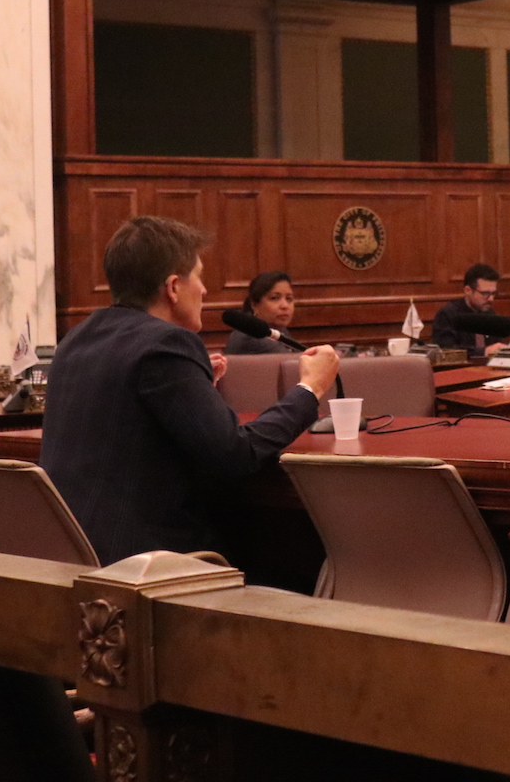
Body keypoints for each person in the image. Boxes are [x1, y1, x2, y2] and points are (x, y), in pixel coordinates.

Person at [42, 216, 339, 565]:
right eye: (198, 276)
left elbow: (126, 420)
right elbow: (236, 454)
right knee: (295, 560)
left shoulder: (78, 337)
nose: (203, 289)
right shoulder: (167, 343)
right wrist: (310, 388)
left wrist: (195, 388)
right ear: (172, 287)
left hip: (69, 556)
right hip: (145, 562)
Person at [222, 270, 297, 355]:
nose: (285, 306)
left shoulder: (277, 329)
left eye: (289, 299)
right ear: (254, 305)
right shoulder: (252, 336)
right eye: (275, 298)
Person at [432, 264, 501, 352]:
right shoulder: (448, 314)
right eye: (485, 294)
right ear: (468, 290)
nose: (491, 299)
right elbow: (447, 350)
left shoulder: (490, 314)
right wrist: (483, 352)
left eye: (493, 293)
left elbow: (496, 346)